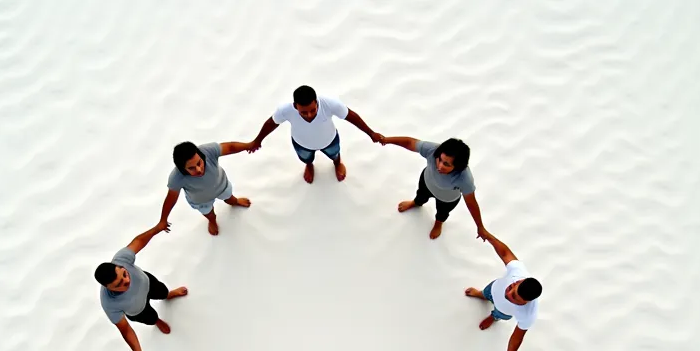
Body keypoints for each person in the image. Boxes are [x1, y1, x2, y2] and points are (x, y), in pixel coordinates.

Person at [247, 85, 382, 184]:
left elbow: (351, 116)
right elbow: (271, 123)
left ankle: (337, 164)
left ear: (316, 102)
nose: (309, 115)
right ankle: (309, 166)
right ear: (295, 106)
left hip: (329, 140)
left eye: (313, 110)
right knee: (306, 158)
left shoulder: (330, 104)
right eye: (303, 112)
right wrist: (257, 140)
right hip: (301, 144)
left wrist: (371, 133)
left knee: (335, 155)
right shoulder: (285, 110)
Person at [95, 221, 188, 351]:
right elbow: (126, 331)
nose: (126, 281)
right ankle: (157, 321)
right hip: (139, 310)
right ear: (108, 287)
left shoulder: (121, 259)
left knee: (162, 291)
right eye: (119, 284)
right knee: (151, 318)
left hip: (148, 284)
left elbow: (138, 241)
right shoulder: (109, 304)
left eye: (124, 274)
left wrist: (157, 228)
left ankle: (168, 295)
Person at [377, 135, 484, 240]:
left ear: (458, 166)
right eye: (440, 160)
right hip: (427, 182)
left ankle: (438, 223)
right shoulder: (433, 150)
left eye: (446, 164)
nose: (440, 166)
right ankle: (415, 203)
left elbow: (471, 203)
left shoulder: (464, 178)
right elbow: (410, 142)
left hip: (447, 199)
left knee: (442, 213)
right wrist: (386, 140)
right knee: (420, 196)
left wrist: (480, 227)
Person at [466, 229, 542, 351]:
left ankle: (493, 317)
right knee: (485, 292)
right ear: (519, 281)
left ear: (526, 302)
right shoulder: (519, 272)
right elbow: (505, 252)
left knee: (497, 314)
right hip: (493, 288)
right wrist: (487, 235)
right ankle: (481, 294)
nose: (508, 293)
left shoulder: (528, 315)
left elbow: (516, 338)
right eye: (513, 286)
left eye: (514, 296)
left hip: (503, 311)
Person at [160, 141, 254, 236]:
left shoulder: (208, 151)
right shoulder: (176, 178)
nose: (199, 170)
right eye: (191, 168)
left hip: (221, 186)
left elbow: (230, 147)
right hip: (201, 201)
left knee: (230, 198)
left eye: (199, 163)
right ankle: (212, 221)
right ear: (183, 170)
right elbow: (171, 199)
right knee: (210, 214)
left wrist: (248, 145)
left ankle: (235, 202)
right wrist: (163, 220)